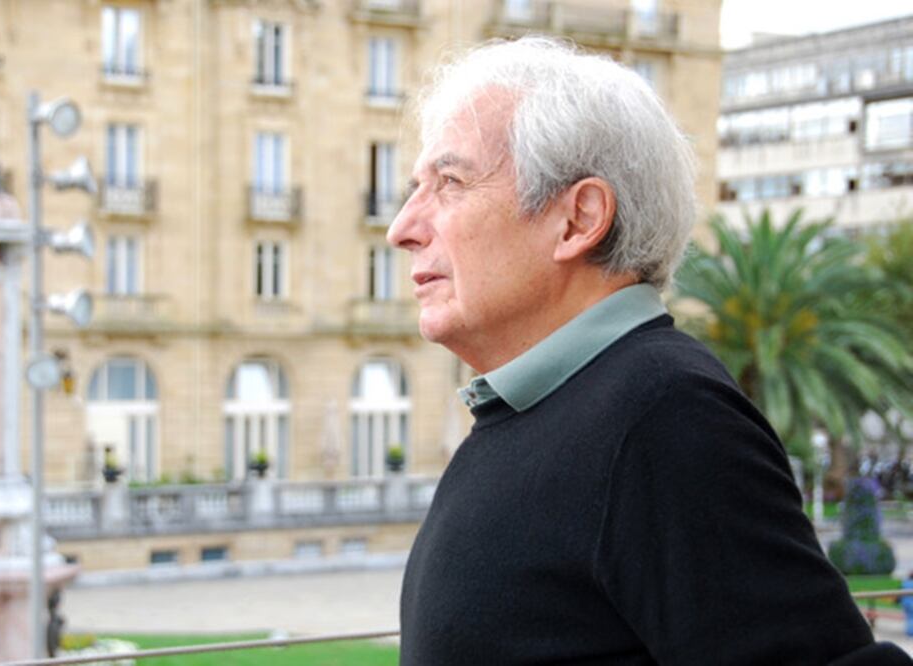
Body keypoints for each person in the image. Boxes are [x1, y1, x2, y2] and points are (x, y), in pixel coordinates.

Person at [388, 37, 910, 665]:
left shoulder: (665, 414)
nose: (402, 228)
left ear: (578, 219)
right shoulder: (545, 408)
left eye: (449, 182)